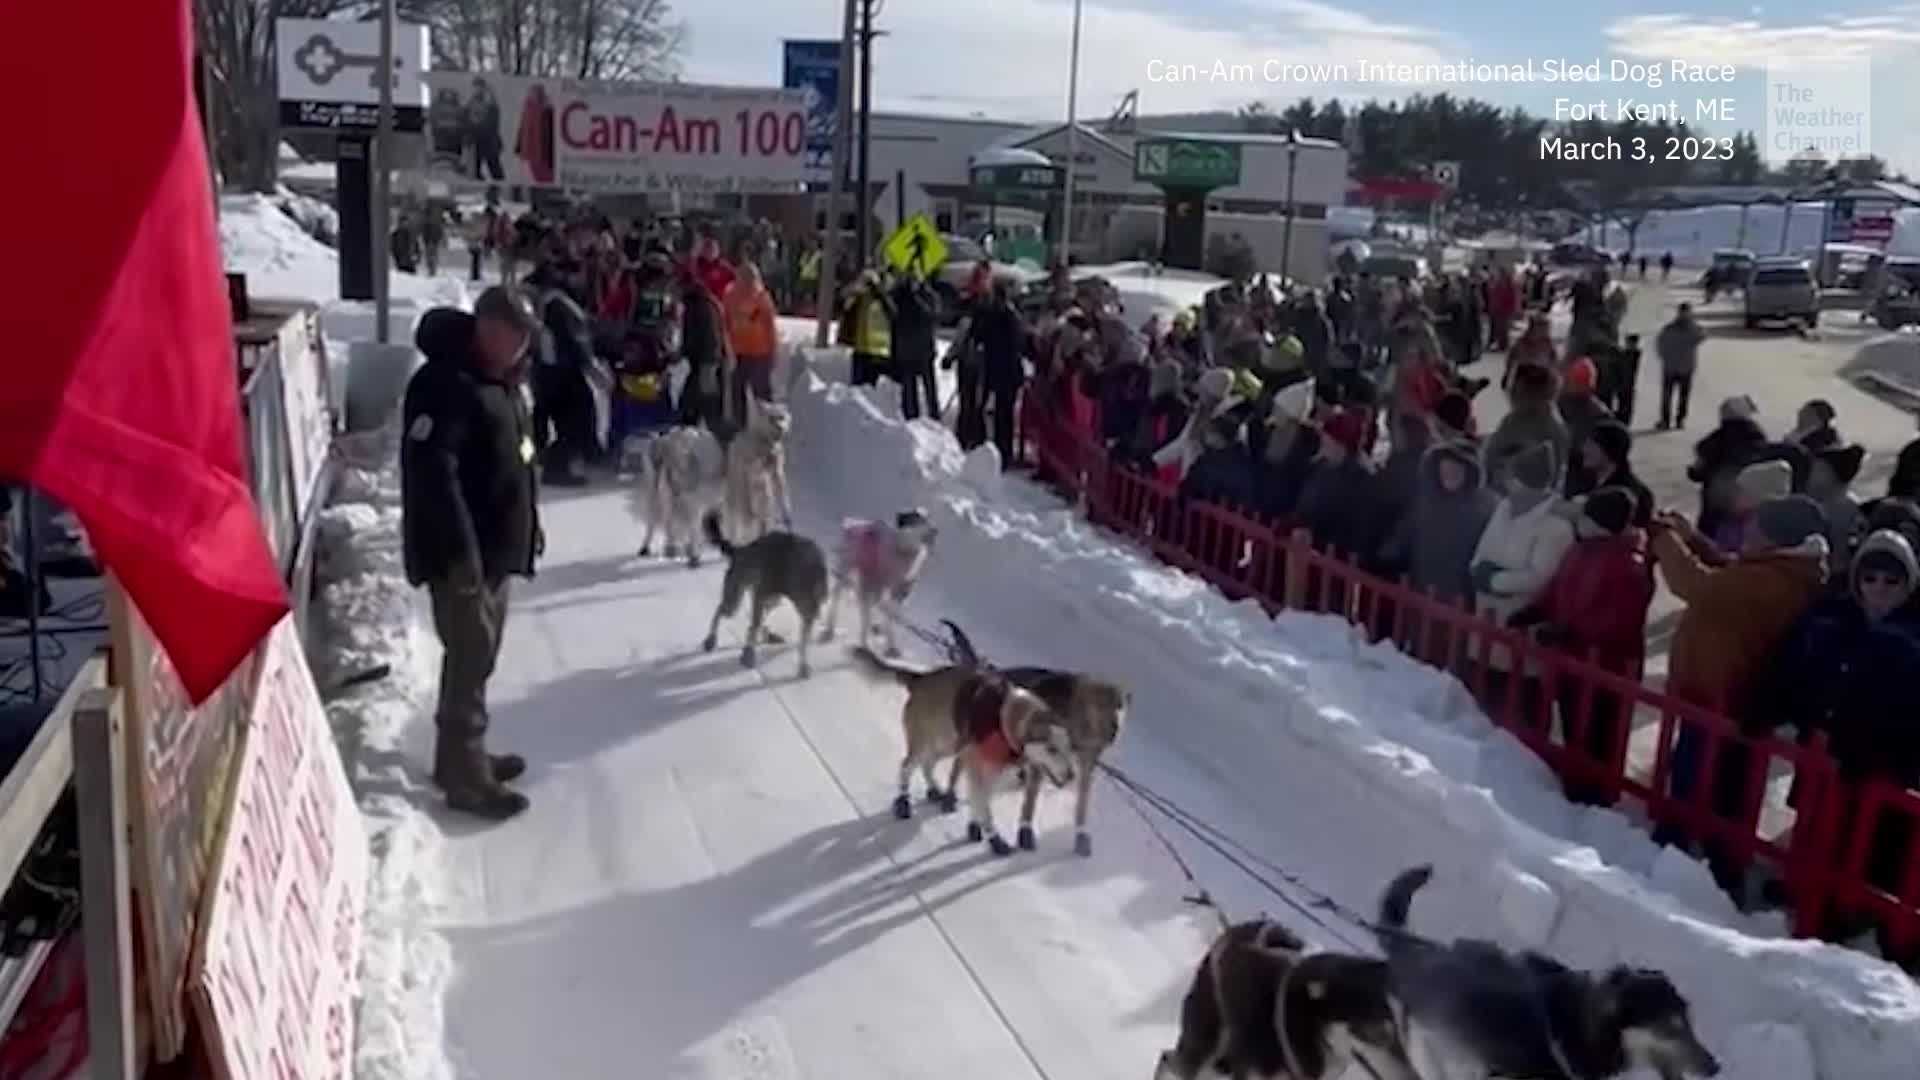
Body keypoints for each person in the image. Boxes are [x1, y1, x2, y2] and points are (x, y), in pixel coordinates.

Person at [400, 288, 542, 821]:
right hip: (461, 556)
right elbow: (435, 477)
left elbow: (520, 460)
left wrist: (529, 529)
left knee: (478, 657)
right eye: (515, 333)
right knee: (469, 655)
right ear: (485, 327)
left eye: (527, 336)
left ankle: (461, 755)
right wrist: (459, 556)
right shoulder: (445, 384)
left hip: (493, 552)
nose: (522, 346)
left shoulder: (502, 384)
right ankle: (464, 776)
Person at [1650, 494, 1828, 886]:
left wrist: (1662, 538)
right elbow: (1728, 572)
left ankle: (1697, 860)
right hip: (1725, 692)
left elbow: (1695, 585)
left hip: (1723, 695)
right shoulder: (1784, 568)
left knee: (1705, 783)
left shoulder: (1769, 580)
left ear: (1774, 537)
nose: (1746, 531)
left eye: (1755, 527)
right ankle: (1702, 850)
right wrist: (1693, 538)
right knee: (1718, 782)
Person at [1508, 486, 1654, 805]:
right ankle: (1576, 783)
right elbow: (1559, 587)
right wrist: (1535, 610)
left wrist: (1566, 631)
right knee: (1574, 724)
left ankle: (1596, 795)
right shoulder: (1581, 550)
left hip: (1605, 666)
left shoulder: (1628, 564)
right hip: (1573, 659)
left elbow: (1619, 622)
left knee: (1599, 733)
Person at [1468, 442, 1576, 726]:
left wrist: (1494, 579)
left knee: (1521, 706)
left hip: (1520, 629)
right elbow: (1482, 553)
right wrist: (1481, 571)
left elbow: (1540, 577)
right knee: (1486, 700)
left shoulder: (1556, 527)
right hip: (1488, 619)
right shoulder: (1504, 509)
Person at [1483, 363, 1569, 496]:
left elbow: (1553, 479)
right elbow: (1491, 456)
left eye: (1516, 390)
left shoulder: (1552, 429)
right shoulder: (1514, 419)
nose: (1510, 395)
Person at [722, 262, 778, 406]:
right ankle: (739, 422)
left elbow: (770, 326)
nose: (747, 280)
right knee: (737, 389)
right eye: (744, 277)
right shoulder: (730, 295)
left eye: (751, 277)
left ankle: (767, 421)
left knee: (761, 391)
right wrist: (726, 345)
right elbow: (725, 321)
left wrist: (772, 351)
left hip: (760, 352)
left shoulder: (761, 297)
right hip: (739, 352)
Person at [889, 271, 941, 420]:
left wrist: (915, 298)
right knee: (909, 391)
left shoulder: (928, 296)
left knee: (929, 389)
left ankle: (934, 418)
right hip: (906, 351)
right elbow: (893, 319)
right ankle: (911, 419)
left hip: (924, 350)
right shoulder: (898, 296)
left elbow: (931, 316)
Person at [1655, 303, 1705, 430]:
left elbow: (1660, 345)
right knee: (1680, 396)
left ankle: (1669, 421)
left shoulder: (1670, 329)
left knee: (1672, 395)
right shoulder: (1692, 329)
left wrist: (1664, 357)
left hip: (1673, 367)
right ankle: (1677, 420)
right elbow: (1702, 336)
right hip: (1683, 367)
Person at [840, 270, 894, 387]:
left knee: (872, 390)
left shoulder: (883, 299)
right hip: (861, 350)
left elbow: (893, 314)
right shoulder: (857, 300)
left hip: (878, 352)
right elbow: (844, 310)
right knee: (859, 388)